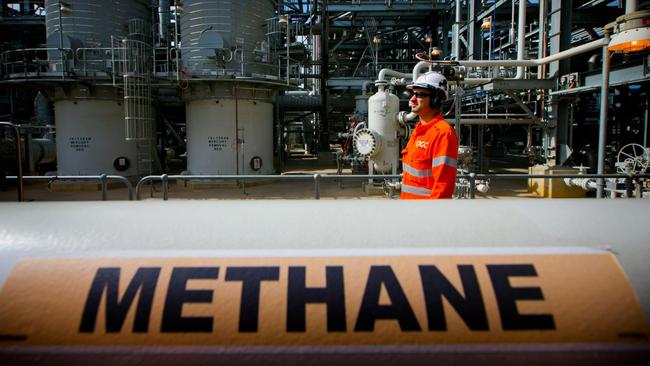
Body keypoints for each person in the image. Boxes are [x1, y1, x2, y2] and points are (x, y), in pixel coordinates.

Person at [400, 71, 458, 199]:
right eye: (413, 94)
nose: (412, 99)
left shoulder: (443, 133)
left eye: (419, 95)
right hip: (409, 209)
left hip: (425, 213)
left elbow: (443, 186)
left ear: (436, 99)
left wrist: (431, 215)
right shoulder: (419, 130)